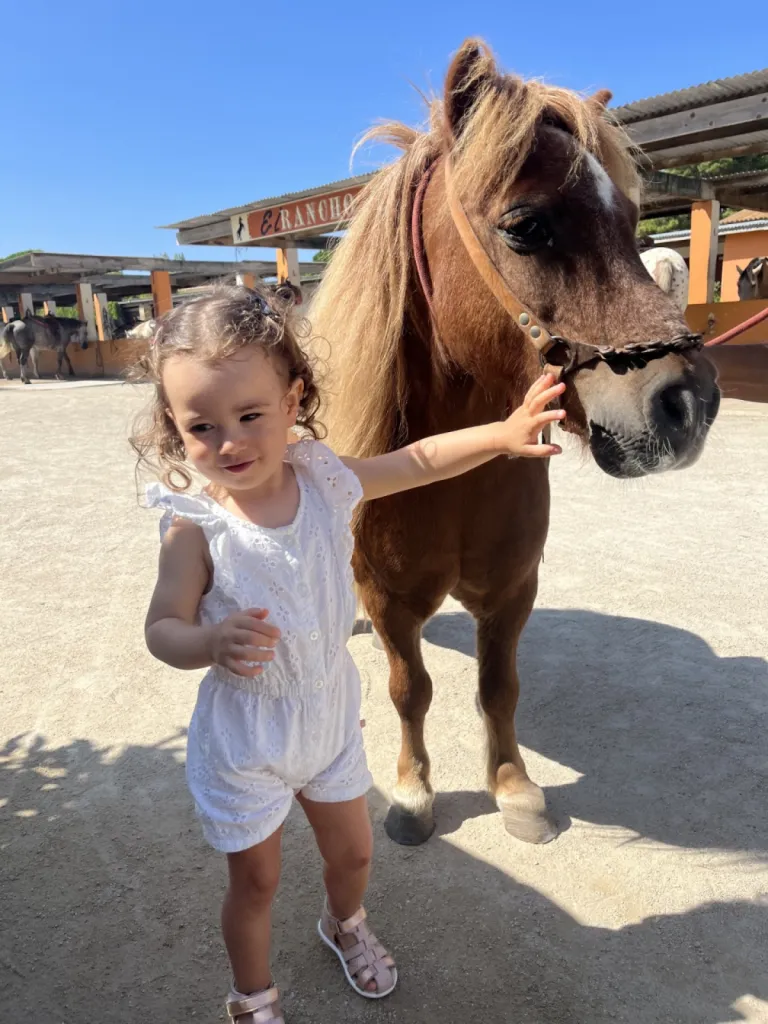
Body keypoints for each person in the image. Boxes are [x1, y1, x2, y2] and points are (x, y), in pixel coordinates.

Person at [130, 285, 565, 1024]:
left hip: (328, 714)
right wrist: (205, 641)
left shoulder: (325, 481)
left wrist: (501, 434)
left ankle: (344, 924)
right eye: (201, 425)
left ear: (293, 399)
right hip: (249, 737)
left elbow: (419, 459)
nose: (229, 442)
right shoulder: (196, 528)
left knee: (355, 855)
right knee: (257, 882)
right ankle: (252, 994)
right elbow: (160, 628)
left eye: (250, 416)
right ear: (173, 425)